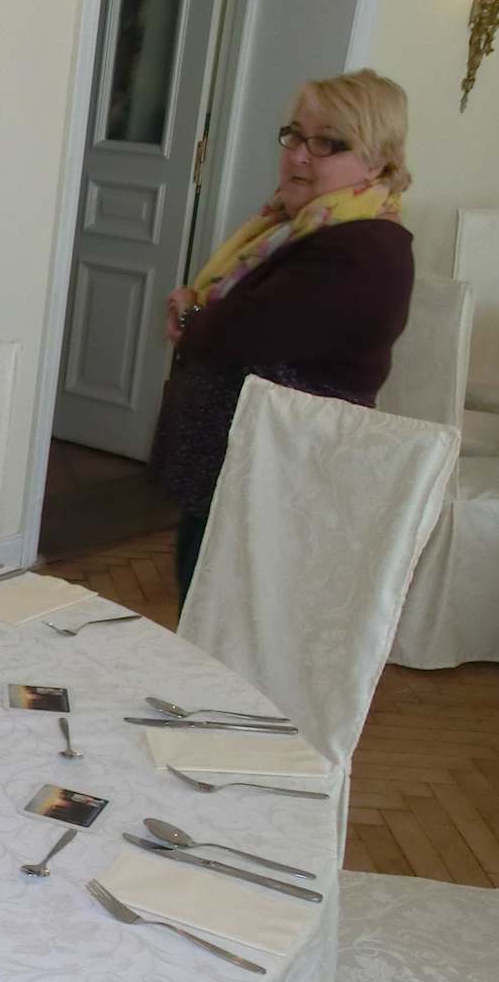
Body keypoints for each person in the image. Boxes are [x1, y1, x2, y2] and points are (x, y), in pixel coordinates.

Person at [150, 69, 416, 604]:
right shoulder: (299, 226)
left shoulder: (361, 250)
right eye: (295, 135)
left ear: (378, 160)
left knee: (223, 623)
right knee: (202, 606)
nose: (298, 155)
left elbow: (247, 331)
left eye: (327, 143)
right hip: (236, 475)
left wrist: (198, 316)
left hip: (277, 484)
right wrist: (201, 313)